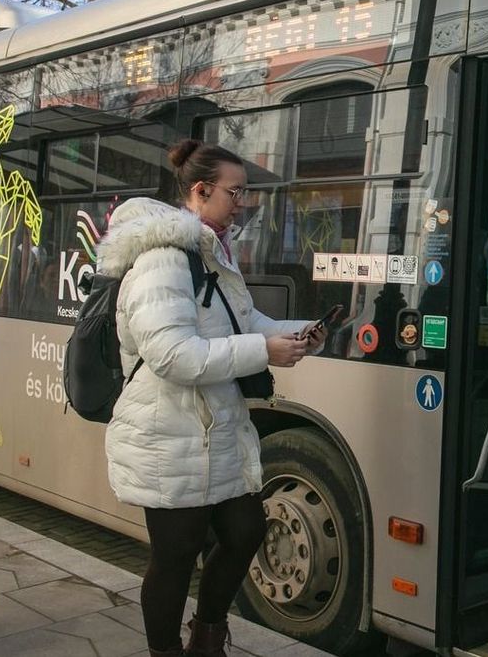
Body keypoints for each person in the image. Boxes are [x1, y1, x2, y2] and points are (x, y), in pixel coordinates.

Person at [97, 140, 324, 657]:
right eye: (234, 191)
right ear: (200, 191)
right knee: (175, 557)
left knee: (246, 530)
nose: (242, 202)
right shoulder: (162, 261)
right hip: (168, 435)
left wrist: (298, 333)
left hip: (211, 430)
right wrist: (261, 350)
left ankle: (207, 633)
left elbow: (245, 324)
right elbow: (172, 356)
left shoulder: (209, 250)